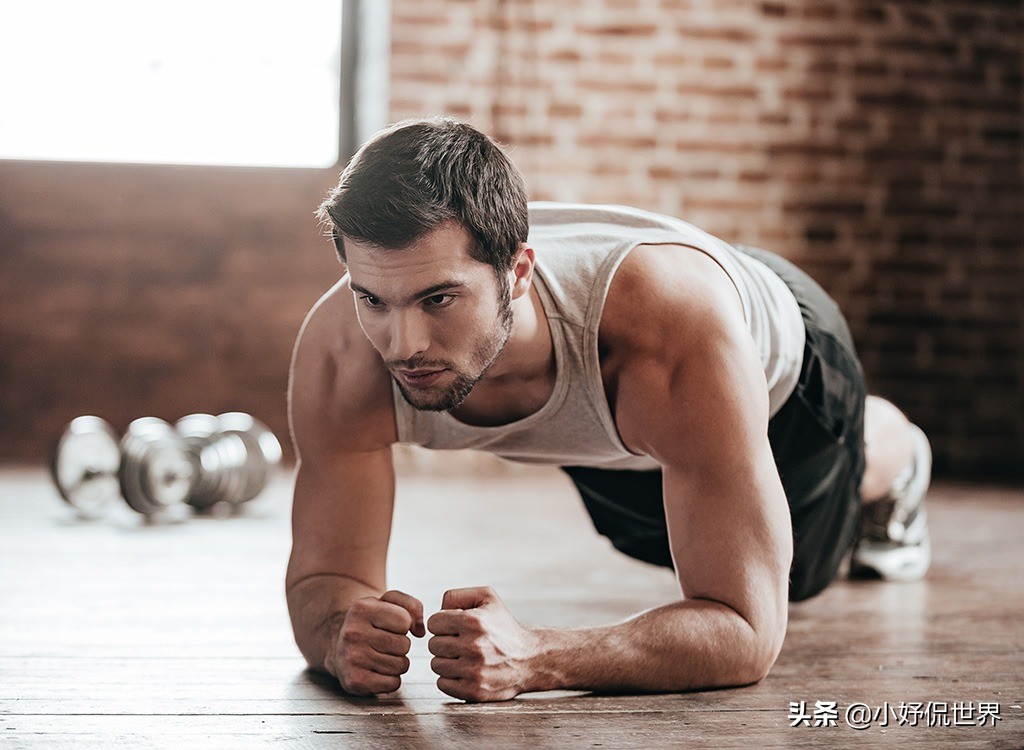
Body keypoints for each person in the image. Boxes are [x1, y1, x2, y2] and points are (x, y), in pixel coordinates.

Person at [285, 117, 932, 703]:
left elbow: (744, 631)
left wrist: (537, 657)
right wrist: (341, 633)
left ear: (517, 275)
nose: (403, 347)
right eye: (373, 300)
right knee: (648, 537)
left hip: (783, 366)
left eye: (439, 301)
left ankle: (896, 453)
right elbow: (326, 577)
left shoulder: (667, 340)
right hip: (613, 428)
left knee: (803, 571)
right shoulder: (342, 355)